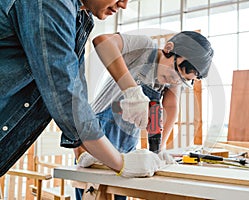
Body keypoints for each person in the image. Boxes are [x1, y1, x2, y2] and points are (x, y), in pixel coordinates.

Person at [0, 0, 163, 181]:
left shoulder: (80, 18)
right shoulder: (50, 4)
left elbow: (77, 92)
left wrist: (89, 152)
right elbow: (64, 89)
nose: (124, 5)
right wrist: (119, 162)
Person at [74, 31, 214, 199]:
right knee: (93, 193)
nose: (174, 80)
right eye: (177, 72)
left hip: (128, 141)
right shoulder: (144, 48)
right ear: (169, 49)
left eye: (183, 79)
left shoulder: (174, 79)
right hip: (99, 130)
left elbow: (170, 106)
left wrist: (158, 149)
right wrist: (131, 90)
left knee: (119, 192)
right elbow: (102, 42)